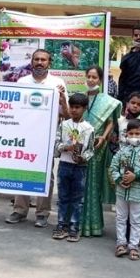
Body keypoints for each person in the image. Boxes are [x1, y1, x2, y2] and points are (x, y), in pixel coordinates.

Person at [6, 49, 68, 227]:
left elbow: (66, 114)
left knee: (46, 175)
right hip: (25, 135)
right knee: (22, 171)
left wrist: (62, 99)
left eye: (43, 60)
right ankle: (19, 210)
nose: (40, 62)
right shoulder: (22, 82)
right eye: (37, 59)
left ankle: (42, 213)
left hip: (47, 137)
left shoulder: (57, 83)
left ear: (49, 63)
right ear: (31, 62)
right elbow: (14, 109)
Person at [79, 66, 121, 236]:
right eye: (88, 76)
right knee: (80, 183)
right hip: (80, 144)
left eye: (94, 77)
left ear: (100, 80)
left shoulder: (107, 101)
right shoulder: (80, 97)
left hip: (98, 145)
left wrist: (103, 137)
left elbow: (111, 122)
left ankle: (93, 224)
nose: (91, 80)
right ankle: (77, 223)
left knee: (93, 184)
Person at [110, 119, 140, 261]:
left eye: (137, 133)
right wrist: (119, 179)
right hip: (121, 191)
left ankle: (133, 246)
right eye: (131, 134)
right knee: (120, 218)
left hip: (138, 193)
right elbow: (113, 167)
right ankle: (121, 244)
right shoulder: (122, 151)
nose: (134, 136)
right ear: (126, 135)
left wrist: (136, 176)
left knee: (136, 220)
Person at [51, 93, 95, 243]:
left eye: (78, 107)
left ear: (84, 108)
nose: (74, 110)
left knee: (77, 199)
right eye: (72, 107)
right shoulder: (64, 125)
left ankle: (74, 228)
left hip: (80, 168)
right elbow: (56, 145)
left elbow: (90, 150)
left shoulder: (89, 128)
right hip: (65, 164)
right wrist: (67, 147)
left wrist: (83, 157)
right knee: (63, 197)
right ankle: (61, 226)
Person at [116, 26, 140, 103]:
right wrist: (121, 98)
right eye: (136, 35)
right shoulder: (127, 57)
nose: (138, 37)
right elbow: (122, 79)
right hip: (129, 96)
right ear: (132, 37)